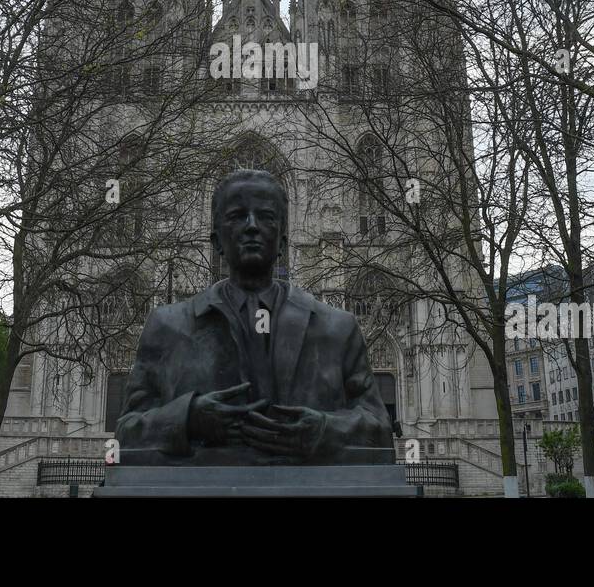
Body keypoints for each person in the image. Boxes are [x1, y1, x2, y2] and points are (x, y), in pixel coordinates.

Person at [116, 169, 393, 463]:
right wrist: (187, 418)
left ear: (284, 241)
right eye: (237, 216)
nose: (251, 226)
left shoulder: (338, 329)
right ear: (216, 241)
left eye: (266, 216)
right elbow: (126, 436)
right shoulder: (166, 326)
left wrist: (323, 432)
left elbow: (381, 434)